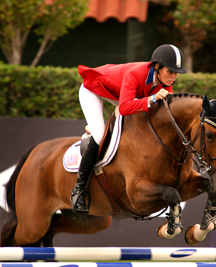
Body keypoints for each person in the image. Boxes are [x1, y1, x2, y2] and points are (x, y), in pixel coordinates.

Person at [71, 44, 187, 213]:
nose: (174, 76)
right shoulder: (136, 73)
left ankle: (101, 127)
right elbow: (125, 108)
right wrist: (153, 97)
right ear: (157, 67)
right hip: (93, 88)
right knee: (98, 136)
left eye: (177, 72)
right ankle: (79, 190)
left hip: (120, 94)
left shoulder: (165, 83)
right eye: (170, 71)